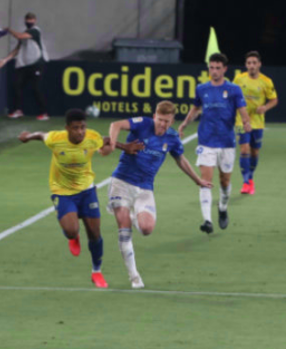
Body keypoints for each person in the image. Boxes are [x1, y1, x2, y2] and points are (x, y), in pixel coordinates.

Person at [108, 101, 212, 288]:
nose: (162, 124)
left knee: (147, 229)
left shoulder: (172, 138)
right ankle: (134, 277)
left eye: (166, 121)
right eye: (160, 120)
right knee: (124, 230)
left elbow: (180, 158)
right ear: (155, 116)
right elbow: (115, 125)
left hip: (145, 187)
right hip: (122, 182)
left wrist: (197, 180)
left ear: (172, 121)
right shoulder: (142, 124)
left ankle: (132, 216)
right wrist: (116, 145)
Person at [18, 109, 113, 287]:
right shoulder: (56, 139)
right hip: (62, 192)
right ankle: (72, 236)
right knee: (71, 230)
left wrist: (122, 147)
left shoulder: (92, 137)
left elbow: (106, 141)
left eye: (83, 127)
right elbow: (41, 135)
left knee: (94, 234)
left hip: (87, 191)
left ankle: (96, 271)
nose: (80, 132)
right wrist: (27, 136)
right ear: (67, 128)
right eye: (76, 128)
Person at [179, 53, 252, 234]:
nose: (214, 71)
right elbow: (196, 109)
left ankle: (222, 207)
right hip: (206, 141)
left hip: (226, 142)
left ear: (225, 69)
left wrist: (247, 122)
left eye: (218, 68)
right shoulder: (201, 88)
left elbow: (242, 110)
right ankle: (207, 220)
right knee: (205, 181)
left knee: (224, 181)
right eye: (211, 67)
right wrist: (184, 124)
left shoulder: (234, 89)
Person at [233, 51, 278, 195]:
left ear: (259, 64)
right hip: (241, 120)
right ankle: (245, 182)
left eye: (254, 63)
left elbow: (274, 100)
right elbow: (232, 94)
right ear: (246, 65)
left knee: (254, 152)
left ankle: (250, 178)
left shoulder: (266, 81)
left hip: (258, 122)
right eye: (249, 63)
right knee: (244, 150)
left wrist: (265, 107)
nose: (251, 66)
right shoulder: (239, 79)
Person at [0, 12, 49, 121]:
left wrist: (8, 30)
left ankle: (44, 113)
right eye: (27, 20)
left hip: (37, 63)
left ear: (35, 21)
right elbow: (17, 50)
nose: (29, 22)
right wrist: (5, 60)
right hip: (25, 64)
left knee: (36, 89)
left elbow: (19, 36)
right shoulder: (25, 33)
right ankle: (18, 110)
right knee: (17, 85)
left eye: (31, 20)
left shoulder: (35, 31)